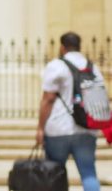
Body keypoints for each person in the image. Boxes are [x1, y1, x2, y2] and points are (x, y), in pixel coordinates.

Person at [36, 32, 102, 191]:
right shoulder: (92, 67)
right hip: (87, 128)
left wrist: (40, 127)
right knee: (88, 173)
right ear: (79, 46)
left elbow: (48, 99)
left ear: (62, 47)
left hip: (59, 127)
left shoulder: (56, 66)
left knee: (55, 173)